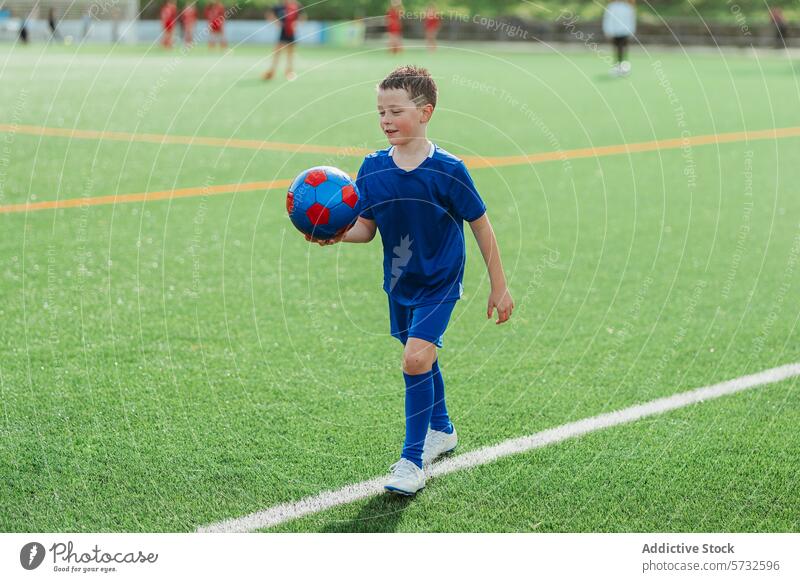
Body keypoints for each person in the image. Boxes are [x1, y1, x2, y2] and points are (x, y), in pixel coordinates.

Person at [306, 65, 514, 495]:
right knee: (421, 358)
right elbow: (366, 227)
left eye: (395, 110)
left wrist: (499, 285)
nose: (385, 120)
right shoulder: (372, 168)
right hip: (399, 283)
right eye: (380, 111)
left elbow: (481, 226)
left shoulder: (448, 170)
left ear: (425, 112)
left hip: (440, 281)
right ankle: (443, 429)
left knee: (415, 360)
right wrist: (337, 234)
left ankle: (411, 459)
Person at [262, 1, 302, 81]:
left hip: (291, 32)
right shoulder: (278, 6)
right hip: (283, 31)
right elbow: (269, 14)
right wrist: (276, 22)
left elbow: (302, 16)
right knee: (277, 51)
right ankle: (272, 71)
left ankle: (289, 71)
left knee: (290, 52)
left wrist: (296, 23)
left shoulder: (296, 5)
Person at [602, 0, 636, 77]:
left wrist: (631, 31)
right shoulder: (611, 6)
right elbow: (608, 20)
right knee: (616, 50)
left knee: (623, 50)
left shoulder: (627, 7)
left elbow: (631, 20)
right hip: (615, 32)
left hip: (624, 32)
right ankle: (618, 67)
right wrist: (608, 31)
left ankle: (624, 67)